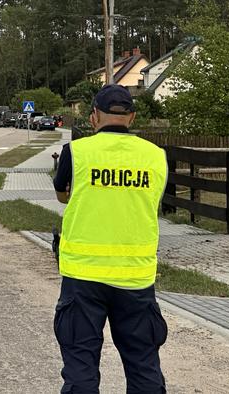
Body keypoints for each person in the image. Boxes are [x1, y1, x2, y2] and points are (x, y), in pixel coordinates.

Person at [52, 84, 168, 394]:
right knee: (144, 365)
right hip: (136, 279)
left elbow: (63, 195)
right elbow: (154, 200)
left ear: (93, 118)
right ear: (132, 116)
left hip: (83, 277)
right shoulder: (156, 157)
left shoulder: (76, 153)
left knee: (81, 367)